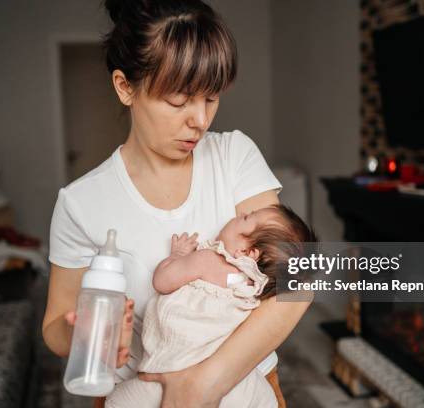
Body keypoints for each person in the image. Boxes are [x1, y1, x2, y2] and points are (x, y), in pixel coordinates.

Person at [42, 0, 313, 407]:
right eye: (179, 101)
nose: (200, 120)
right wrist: (82, 332)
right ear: (125, 87)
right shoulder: (80, 202)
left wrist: (203, 383)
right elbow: (53, 328)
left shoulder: (233, 156)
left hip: (242, 384)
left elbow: (299, 278)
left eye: (211, 98)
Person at [106, 205, 316, 407]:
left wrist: (178, 256)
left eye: (246, 218)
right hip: (234, 382)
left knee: (117, 401)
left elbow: (162, 281)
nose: (241, 212)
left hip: (171, 369)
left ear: (247, 251)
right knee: (265, 400)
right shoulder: (256, 287)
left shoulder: (208, 260)